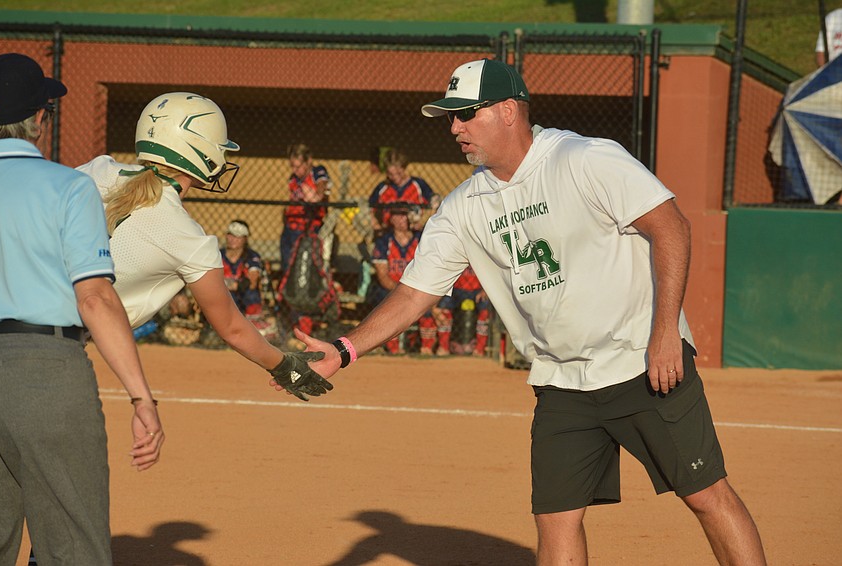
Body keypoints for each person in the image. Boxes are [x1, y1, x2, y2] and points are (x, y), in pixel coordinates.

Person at [294, 58, 767, 565]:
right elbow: (414, 293)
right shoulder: (463, 207)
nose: (454, 128)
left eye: (466, 114)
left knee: (705, 493)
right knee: (556, 518)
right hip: (562, 383)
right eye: (451, 117)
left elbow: (671, 227)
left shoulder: (585, 159)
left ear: (507, 111)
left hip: (640, 362)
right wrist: (345, 349)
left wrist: (665, 332)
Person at [0, 52, 164, 565]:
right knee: (72, 544)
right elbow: (94, 297)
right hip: (43, 370)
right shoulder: (69, 187)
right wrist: (141, 398)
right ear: (41, 119)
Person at [77, 92, 331, 401]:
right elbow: (232, 327)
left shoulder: (97, 169)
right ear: (199, 151)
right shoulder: (188, 238)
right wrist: (285, 365)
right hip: (51, 348)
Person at [367, 204, 437, 355]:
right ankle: (393, 348)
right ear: (391, 219)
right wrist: (402, 292)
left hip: (419, 287)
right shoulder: (383, 241)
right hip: (390, 288)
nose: (401, 219)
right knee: (389, 305)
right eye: (397, 215)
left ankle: (427, 348)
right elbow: (383, 276)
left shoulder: (422, 238)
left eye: (405, 215)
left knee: (431, 303)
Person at [368, 147, 439, 234]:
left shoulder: (418, 184)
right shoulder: (382, 187)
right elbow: (370, 208)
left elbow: (434, 203)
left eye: (398, 173)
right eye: (390, 174)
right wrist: (377, 226)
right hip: (389, 233)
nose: (395, 177)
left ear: (404, 168)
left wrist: (424, 224)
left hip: (415, 233)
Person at [282, 143, 329, 273]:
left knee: (303, 266)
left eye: (298, 166)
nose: (295, 170)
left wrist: (316, 196)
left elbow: (321, 186)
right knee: (287, 263)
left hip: (307, 228)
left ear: (308, 162)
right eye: (292, 166)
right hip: (290, 226)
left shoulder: (317, 172)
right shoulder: (293, 179)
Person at [433, 265, 491, 357]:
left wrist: (486, 289)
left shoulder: (482, 252)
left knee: (485, 312)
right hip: (455, 289)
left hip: (478, 289)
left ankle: (479, 349)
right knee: (442, 311)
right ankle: (443, 347)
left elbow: (491, 272)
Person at [221, 219, 264, 316]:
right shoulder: (218, 254)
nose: (233, 239)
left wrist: (234, 285)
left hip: (243, 295)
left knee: (251, 295)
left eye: (237, 236)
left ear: (245, 239)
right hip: (224, 295)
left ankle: (254, 322)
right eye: (230, 235)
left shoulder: (251, 256)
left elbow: (252, 282)